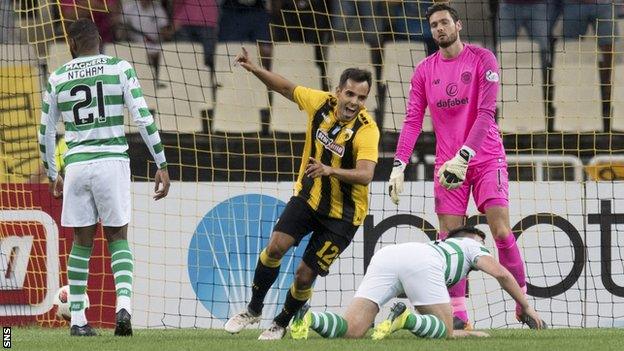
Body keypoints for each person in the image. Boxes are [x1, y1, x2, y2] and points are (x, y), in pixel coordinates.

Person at [387, 3, 535, 330]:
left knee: (500, 230)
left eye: (444, 22)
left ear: (458, 25)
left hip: (484, 156)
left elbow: (485, 113)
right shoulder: (425, 70)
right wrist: (398, 165)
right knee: (451, 241)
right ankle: (459, 317)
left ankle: (522, 301)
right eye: (433, 25)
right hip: (446, 166)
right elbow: (412, 121)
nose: (439, 28)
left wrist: (465, 155)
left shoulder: (483, 59)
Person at [223, 47, 380, 340]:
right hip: (308, 198)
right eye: (350, 94)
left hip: (343, 216)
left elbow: (366, 174)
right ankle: (254, 309)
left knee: (304, 275)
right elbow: (284, 86)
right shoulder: (320, 103)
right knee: (275, 247)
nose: (354, 102)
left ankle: (281, 322)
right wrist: (254, 68)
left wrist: (331, 170)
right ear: (338, 92)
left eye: (361, 98)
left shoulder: (366, 130)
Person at [38, 19, 170, 336]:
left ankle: (80, 321)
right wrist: (161, 162)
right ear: (99, 40)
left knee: (81, 243)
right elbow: (142, 116)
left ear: (71, 45)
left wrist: (53, 173)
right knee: (118, 237)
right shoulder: (119, 68)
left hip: (78, 164)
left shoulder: (57, 78)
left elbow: (44, 131)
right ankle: (123, 307)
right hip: (112, 161)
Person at [289, 226, 545, 340]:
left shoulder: (442, 245)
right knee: (444, 330)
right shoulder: (470, 245)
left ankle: (309, 319)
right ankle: (405, 320)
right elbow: (502, 274)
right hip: (422, 261)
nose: (484, 243)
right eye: (482, 239)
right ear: (473, 238)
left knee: (353, 330)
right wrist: (527, 307)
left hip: (388, 255)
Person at [121, 0, 171, 89]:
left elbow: (166, 32)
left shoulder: (158, 10)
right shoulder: (129, 8)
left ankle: (156, 81)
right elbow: (121, 27)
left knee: (159, 54)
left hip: (154, 45)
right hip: (134, 45)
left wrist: (168, 31)